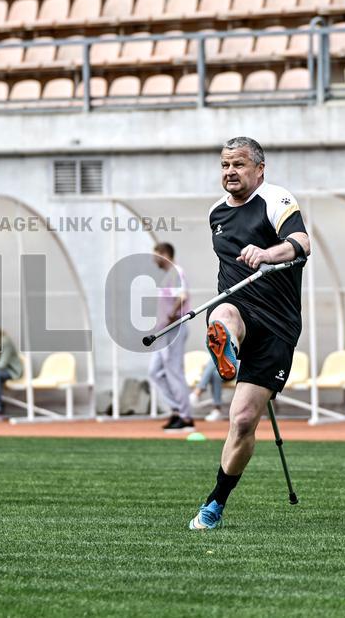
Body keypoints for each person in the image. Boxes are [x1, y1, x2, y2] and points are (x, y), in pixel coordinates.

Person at [189, 136, 311, 530]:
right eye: (225, 165)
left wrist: (266, 253)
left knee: (241, 421)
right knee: (222, 311)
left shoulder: (276, 200)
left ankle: (215, 503)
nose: (230, 172)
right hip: (239, 307)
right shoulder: (216, 214)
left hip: (277, 325)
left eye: (238, 165)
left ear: (259, 168)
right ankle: (227, 347)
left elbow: (302, 243)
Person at [147, 242, 194, 432]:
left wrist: (170, 316)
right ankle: (176, 410)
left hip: (173, 329)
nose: (153, 259)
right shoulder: (168, 275)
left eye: (155, 255)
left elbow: (182, 297)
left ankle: (186, 418)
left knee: (174, 371)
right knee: (154, 371)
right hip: (163, 331)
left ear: (165, 254)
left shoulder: (176, 272)